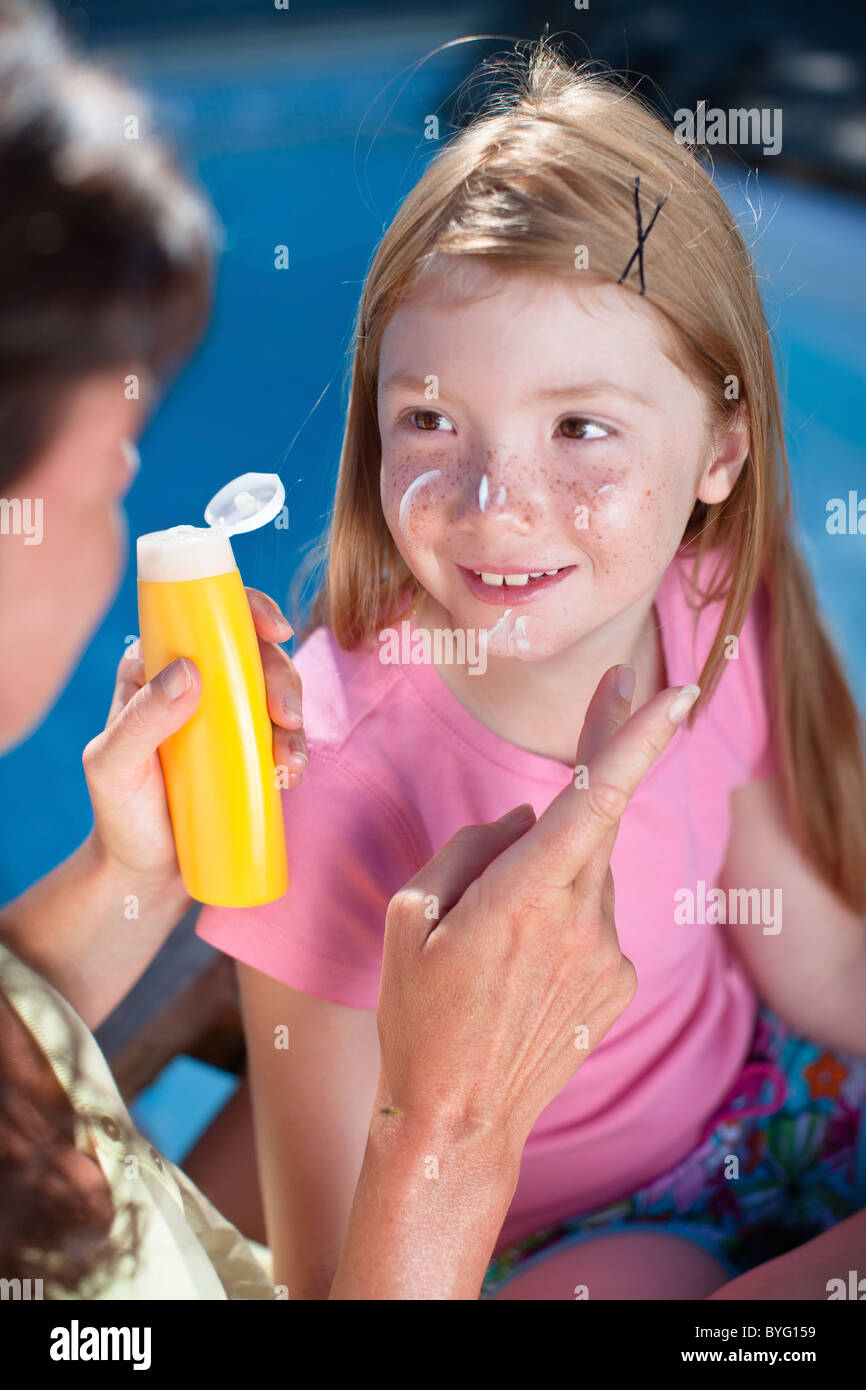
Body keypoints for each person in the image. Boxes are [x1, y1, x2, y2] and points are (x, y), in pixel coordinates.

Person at [0, 0, 704, 1302]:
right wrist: (446, 1131)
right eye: (107, 473)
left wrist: (125, 880)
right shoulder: (365, 749)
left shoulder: (709, 611)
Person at [194, 41, 866, 1299]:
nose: (498, 506)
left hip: (764, 1098)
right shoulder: (340, 784)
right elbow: (337, 1266)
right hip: (540, 1234)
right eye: (431, 421)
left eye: (579, 428)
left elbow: (816, 961)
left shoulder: (714, 598)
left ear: (720, 449)